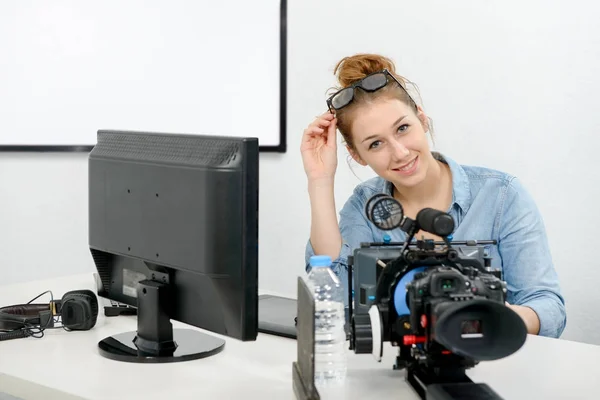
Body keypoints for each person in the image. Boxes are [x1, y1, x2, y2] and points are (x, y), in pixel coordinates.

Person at [301, 53, 566, 338]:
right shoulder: (365, 205)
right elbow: (333, 302)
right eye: (376, 144)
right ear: (357, 155)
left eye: (403, 128)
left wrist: (485, 319)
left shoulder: (501, 195)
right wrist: (320, 180)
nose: (400, 153)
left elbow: (548, 307)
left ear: (422, 118)